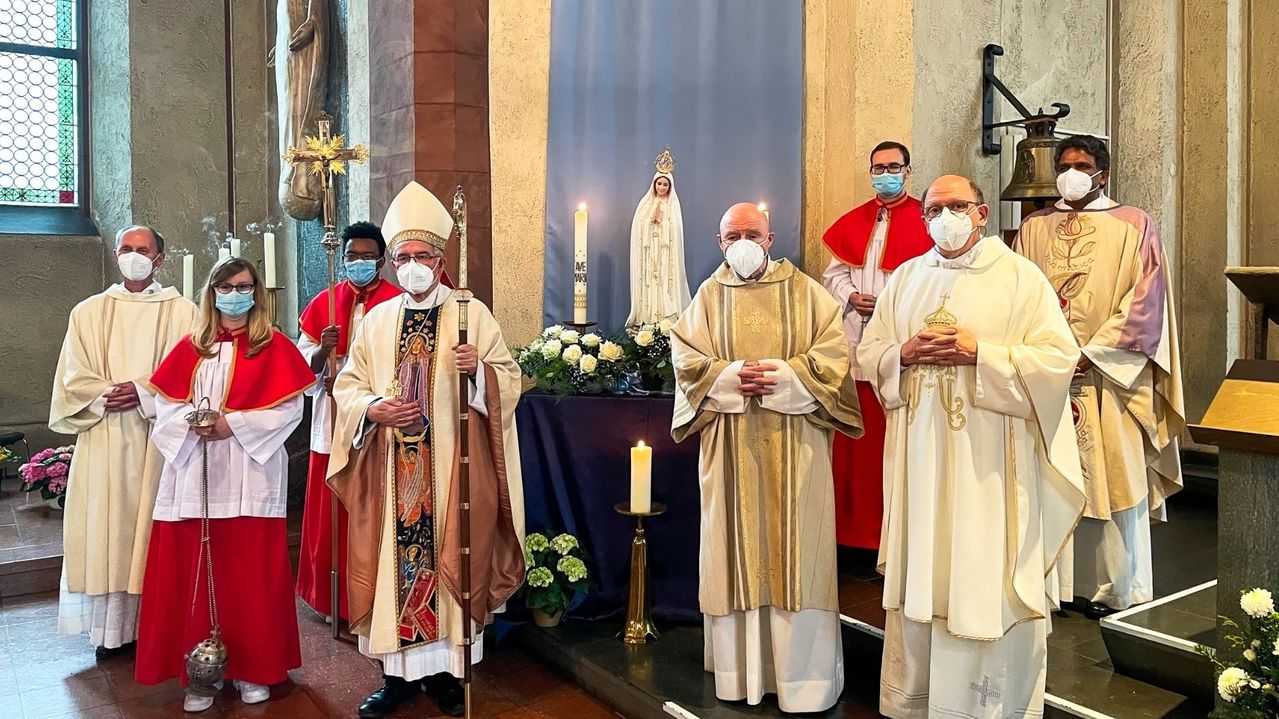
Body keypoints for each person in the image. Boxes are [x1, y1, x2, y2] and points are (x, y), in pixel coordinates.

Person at [858, 175, 1086, 718]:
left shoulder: (1019, 278)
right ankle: (916, 700)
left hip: (990, 467)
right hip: (921, 460)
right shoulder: (907, 277)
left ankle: (985, 706)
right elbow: (870, 353)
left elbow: (1059, 359)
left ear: (981, 214)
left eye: (956, 206)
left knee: (982, 571)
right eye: (933, 208)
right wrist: (905, 352)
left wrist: (979, 353)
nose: (943, 216)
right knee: (926, 570)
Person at [327, 181, 525, 719]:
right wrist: (372, 408)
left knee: (451, 556)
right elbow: (348, 385)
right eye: (404, 257)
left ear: (441, 260)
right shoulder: (377, 319)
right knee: (395, 563)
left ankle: (444, 673)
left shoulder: (471, 314)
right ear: (393, 262)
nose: (413, 265)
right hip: (392, 469)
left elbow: (510, 379)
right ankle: (395, 679)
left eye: (424, 256)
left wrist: (478, 373)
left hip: (454, 471)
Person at [670, 203, 862, 713]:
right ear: (719, 242)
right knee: (732, 553)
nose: (743, 241)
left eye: (751, 232)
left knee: (800, 553)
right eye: (732, 234)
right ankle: (740, 677)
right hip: (729, 449)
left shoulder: (808, 294)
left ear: (771, 237)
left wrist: (783, 376)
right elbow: (686, 359)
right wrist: (731, 378)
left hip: (797, 448)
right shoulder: (708, 296)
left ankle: (805, 683)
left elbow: (835, 355)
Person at [1015, 135, 1184, 618]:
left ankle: (1113, 587)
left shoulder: (1133, 224)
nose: (1070, 172)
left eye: (1082, 165)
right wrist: (1043, 351)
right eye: (1064, 165)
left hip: (1109, 378)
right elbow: (1020, 293)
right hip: (1048, 376)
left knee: (1112, 475)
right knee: (1053, 476)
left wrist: (1092, 353)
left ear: (1102, 174)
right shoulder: (1033, 227)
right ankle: (1057, 584)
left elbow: (1146, 300)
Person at [136, 258, 314, 712]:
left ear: (257, 293)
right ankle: (202, 676)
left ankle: (255, 668)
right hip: (193, 475)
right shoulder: (190, 348)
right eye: (228, 286)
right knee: (194, 576)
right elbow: (162, 409)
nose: (237, 294)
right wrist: (194, 425)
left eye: (246, 286)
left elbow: (289, 410)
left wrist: (231, 426)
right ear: (212, 292)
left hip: (250, 477)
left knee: (251, 577)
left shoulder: (273, 346)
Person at [49, 226, 197, 658]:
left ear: (160, 258)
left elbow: (195, 374)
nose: (134, 256)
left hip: (160, 441)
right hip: (105, 436)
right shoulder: (89, 312)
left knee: (153, 529)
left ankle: (160, 627)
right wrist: (103, 394)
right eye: (127, 249)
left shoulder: (185, 313)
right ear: (116, 254)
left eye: (144, 250)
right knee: (108, 526)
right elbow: (71, 377)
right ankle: (110, 634)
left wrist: (145, 392)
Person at [820, 141, 933, 550]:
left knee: (891, 447)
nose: (884, 174)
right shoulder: (855, 220)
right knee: (855, 448)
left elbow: (929, 280)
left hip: (898, 342)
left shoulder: (926, 221)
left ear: (908, 169)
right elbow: (833, 274)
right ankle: (851, 534)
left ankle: (890, 537)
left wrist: (889, 303)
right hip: (856, 342)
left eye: (892, 166)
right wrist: (850, 294)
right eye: (877, 167)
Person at [295, 221, 403, 622]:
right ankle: (330, 598)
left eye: (368, 256)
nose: (360, 263)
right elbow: (303, 373)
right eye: (352, 257)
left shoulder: (398, 301)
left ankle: (376, 595)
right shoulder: (323, 302)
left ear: (382, 260)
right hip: (333, 418)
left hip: (378, 418)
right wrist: (323, 352)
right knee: (330, 509)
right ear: (341, 261)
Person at [625, 147, 692, 327]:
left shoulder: (672, 206)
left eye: (665, 184)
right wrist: (650, 221)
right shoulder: (646, 204)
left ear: (670, 187)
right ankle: (646, 320)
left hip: (664, 255)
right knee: (649, 284)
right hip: (649, 254)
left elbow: (675, 231)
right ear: (654, 184)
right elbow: (638, 227)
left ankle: (664, 323)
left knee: (664, 284)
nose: (661, 187)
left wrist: (662, 223)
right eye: (659, 184)